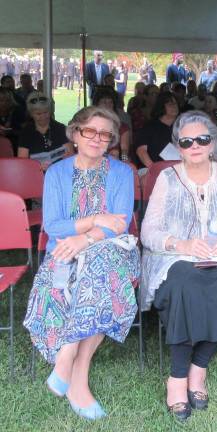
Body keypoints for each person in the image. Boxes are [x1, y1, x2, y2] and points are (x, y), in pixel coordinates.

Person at [140, 111, 217, 420]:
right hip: (175, 257)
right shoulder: (167, 178)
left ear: (212, 143)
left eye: (202, 139)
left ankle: (199, 369)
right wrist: (180, 244)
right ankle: (177, 377)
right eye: (186, 141)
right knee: (186, 285)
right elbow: (148, 232)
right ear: (178, 147)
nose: (194, 145)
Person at [23, 106, 140, 419]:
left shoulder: (121, 173)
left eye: (105, 134)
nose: (97, 139)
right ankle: (74, 375)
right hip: (63, 249)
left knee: (101, 270)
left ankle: (71, 359)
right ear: (75, 133)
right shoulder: (57, 173)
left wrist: (84, 238)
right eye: (90, 131)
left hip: (112, 249)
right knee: (75, 279)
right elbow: (53, 226)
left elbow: (120, 224)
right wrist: (95, 219)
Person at [17, 92, 73, 169]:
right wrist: (36, 167)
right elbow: (22, 162)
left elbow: (70, 155)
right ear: (31, 114)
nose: (43, 116)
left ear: (50, 111)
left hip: (59, 172)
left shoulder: (60, 128)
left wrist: (65, 160)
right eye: (38, 114)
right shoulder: (26, 132)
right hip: (36, 174)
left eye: (46, 112)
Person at [135, 92, 179, 169]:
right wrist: (154, 169)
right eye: (170, 104)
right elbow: (141, 151)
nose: (174, 106)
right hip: (152, 168)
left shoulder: (181, 127)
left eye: (175, 103)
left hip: (178, 169)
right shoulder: (149, 127)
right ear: (161, 107)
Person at [92, 88, 130, 160]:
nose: (108, 105)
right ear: (97, 105)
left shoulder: (122, 127)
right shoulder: (88, 125)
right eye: (104, 102)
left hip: (115, 162)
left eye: (110, 102)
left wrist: (124, 160)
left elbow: (124, 150)